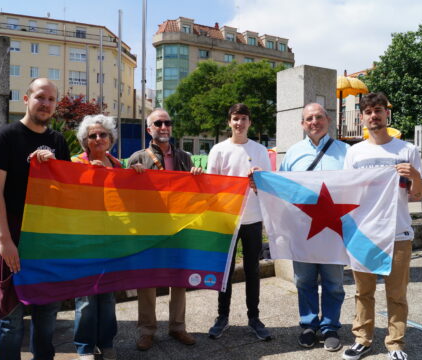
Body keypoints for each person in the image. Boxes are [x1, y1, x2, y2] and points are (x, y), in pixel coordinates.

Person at [0, 78, 71, 360]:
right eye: (40, 97)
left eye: (51, 100)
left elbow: (68, 191)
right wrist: (5, 240)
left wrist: (53, 166)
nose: (45, 104)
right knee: (10, 320)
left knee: (47, 319)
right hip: (14, 235)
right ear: (26, 99)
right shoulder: (5, 137)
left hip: (47, 240)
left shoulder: (57, 141)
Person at [342, 93, 422, 360]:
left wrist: (413, 175)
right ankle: (362, 339)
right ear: (362, 118)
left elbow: (418, 194)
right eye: (368, 112)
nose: (373, 116)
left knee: (397, 293)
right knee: (362, 292)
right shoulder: (354, 152)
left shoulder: (407, 150)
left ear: (386, 114)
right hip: (363, 233)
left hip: (397, 232)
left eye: (378, 110)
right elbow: (346, 192)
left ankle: (395, 343)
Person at [128, 108, 202, 351]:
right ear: (149, 129)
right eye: (158, 123)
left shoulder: (185, 158)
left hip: (177, 228)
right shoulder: (137, 158)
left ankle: (177, 327)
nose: (163, 126)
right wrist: (132, 176)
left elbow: (193, 195)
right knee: (147, 280)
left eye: (167, 122)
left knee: (179, 280)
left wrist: (197, 177)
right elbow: (127, 197)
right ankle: (147, 330)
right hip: (149, 230)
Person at [279, 103, 349, 352]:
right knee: (304, 281)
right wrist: (260, 182)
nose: (314, 122)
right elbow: (281, 188)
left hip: (333, 231)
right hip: (303, 231)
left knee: (333, 283)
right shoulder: (293, 153)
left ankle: (330, 327)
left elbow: (358, 187)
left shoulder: (346, 151)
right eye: (309, 118)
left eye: (319, 117)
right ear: (302, 124)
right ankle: (309, 326)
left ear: (327, 120)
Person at [207, 103, 272, 341]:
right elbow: (212, 186)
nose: (239, 123)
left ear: (249, 123)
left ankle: (254, 317)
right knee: (224, 270)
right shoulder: (218, 150)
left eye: (243, 118)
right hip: (227, 219)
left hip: (253, 219)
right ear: (229, 122)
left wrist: (259, 179)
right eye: (235, 118)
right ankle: (222, 316)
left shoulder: (261, 151)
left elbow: (268, 185)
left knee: (252, 270)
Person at [71, 114, 121, 360]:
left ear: (110, 138)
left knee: (108, 297)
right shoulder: (74, 164)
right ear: (85, 141)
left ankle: (107, 343)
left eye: (103, 134)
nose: (99, 138)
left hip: (111, 241)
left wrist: (138, 174)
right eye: (93, 136)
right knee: (86, 299)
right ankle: (84, 347)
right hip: (84, 241)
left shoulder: (118, 166)